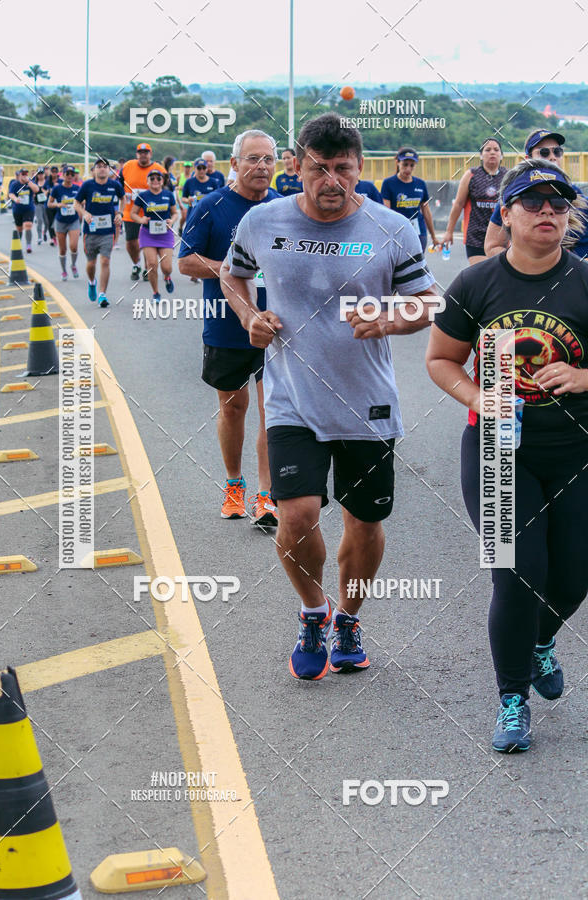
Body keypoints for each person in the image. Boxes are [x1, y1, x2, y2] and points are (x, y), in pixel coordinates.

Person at [220, 113, 438, 680]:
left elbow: (429, 301)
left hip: (368, 406)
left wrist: (393, 317)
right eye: (319, 169)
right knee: (296, 515)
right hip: (293, 400)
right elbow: (231, 274)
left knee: (364, 525)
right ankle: (314, 612)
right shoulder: (262, 221)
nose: (332, 181)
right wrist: (250, 315)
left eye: (344, 169)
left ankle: (349, 618)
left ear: (361, 169)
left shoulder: (393, 229)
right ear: (296, 167)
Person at [426, 159, 588, 752]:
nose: (547, 212)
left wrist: (583, 374)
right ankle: (512, 696)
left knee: (575, 573)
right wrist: (480, 398)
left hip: (578, 451)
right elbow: (441, 361)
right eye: (533, 202)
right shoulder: (476, 284)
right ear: (506, 213)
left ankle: (542, 639)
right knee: (520, 575)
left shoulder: (586, 279)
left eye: (558, 203)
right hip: (498, 451)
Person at [178, 130, 281, 527]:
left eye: (268, 159)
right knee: (234, 408)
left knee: (273, 409)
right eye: (253, 159)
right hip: (226, 326)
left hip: (277, 327)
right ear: (234, 164)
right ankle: (234, 485)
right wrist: (233, 270)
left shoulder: (283, 206)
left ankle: (266, 496)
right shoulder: (211, 205)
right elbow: (184, 262)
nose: (262, 167)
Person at [485, 129, 588, 260]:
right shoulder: (514, 197)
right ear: (528, 159)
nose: (552, 157)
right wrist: (524, 267)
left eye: (557, 151)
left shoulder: (577, 197)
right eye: (544, 152)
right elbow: (492, 246)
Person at [441, 138, 506, 264]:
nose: (492, 152)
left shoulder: (508, 176)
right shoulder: (471, 175)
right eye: (487, 150)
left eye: (496, 150)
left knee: (499, 277)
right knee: (483, 276)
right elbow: (458, 204)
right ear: (481, 156)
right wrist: (449, 231)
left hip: (500, 238)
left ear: (501, 155)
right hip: (475, 236)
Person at [75, 157, 124, 308]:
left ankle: (102, 294)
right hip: (91, 230)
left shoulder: (114, 185)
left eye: (105, 166)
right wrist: (84, 213)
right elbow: (76, 203)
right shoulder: (87, 185)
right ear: (94, 170)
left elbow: (123, 199)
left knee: (105, 261)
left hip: (108, 230)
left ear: (109, 170)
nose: (102, 169)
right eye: (99, 166)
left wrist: (119, 214)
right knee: (91, 263)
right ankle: (92, 282)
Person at [119, 143, 165, 281]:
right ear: (137, 154)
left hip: (152, 212)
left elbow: (168, 186)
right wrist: (123, 194)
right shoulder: (128, 166)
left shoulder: (158, 169)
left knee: (148, 242)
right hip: (131, 212)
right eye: (140, 152)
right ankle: (136, 263)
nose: (143, 154)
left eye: (146, 152)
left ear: (150, 154)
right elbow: (117, 183)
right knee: (131, 241)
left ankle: (147, 267)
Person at [130, 169, 177, 303]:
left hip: (165, 234)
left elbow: (174, 213)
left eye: (158, 178)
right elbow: (133, 213)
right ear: (148, 181)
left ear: (162, 181)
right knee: (151, 264)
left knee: (167, 267)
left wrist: (172, 221)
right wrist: (141, 220)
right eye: (152, 179)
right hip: (148, 234)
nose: (155, 181)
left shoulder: (168, 195)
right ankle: (156, 293)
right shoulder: (143, 196)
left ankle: (167, 277)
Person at [381, 148, 438, 252]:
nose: (408, 169)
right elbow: (386, 213)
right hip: (398, 231)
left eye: (412, 165)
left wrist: (433, 236)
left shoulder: (420, 184)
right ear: (398, 162)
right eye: (405, 164)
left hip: (418, 231)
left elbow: (426, 211)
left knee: (417, 264)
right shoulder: (388, 183)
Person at [48, 165, 81, 280]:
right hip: (60, 221)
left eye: (73, 174)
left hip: (73, 220)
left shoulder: (77, 188)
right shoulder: (57, 188)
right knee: (63, 249)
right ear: (63, 174)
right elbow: (49, 204)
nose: (70, 176)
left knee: (74, 246)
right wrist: (58, 204)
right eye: (68, 174)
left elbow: (83, 201)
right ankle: (64, 271)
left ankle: (73, 265)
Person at [8, 168, 39, 253]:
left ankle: (28, 245)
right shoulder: (15, 184)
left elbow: (36, 190)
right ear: (19, 175)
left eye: (26, 174)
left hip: (29, 209)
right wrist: (15, 199)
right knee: (19, 228)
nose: (25, 176)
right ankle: (18, 244)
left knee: (28, 225)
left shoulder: (30, 183)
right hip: (17, 209)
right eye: (23, 174)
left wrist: (28, 182)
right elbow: (10, 194)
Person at [32, 167, 49, 244]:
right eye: (39, 174)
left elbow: (50, 191)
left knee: (47, 222)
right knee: (39, 220)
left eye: (42, 174)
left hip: (46, 204)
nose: (40, 175)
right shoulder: (34, 183)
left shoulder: (47, 182)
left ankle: (44, 232)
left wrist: (45, 191)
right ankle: (39, 237)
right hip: (38, 204)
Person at [45, 166, 61, 245]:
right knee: (50, 221)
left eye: (55, 172)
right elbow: (44, 189)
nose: (54, 173)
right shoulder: (48, 181)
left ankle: (57, 235)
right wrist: (48, 190)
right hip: (49, 204)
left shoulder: (60, 181)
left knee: (57, 221)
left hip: (58, 204)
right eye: (53, 172)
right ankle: (52, 238)